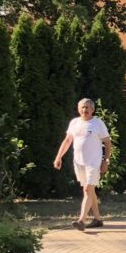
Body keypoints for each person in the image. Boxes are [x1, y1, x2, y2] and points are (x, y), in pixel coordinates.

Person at [53, 98, 112, 231]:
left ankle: (81, 220)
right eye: (82, 107)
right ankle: (97, 219)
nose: (84, 110)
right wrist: (58, 157)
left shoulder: (98, 123)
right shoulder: (74, 123)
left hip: (94, 162)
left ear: (92, 110)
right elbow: (68, 140)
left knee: (87, 190)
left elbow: (108, 143)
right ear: (78, 109)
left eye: (87, 108)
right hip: (79, 162)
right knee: (90, 191)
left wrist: (106, 160)